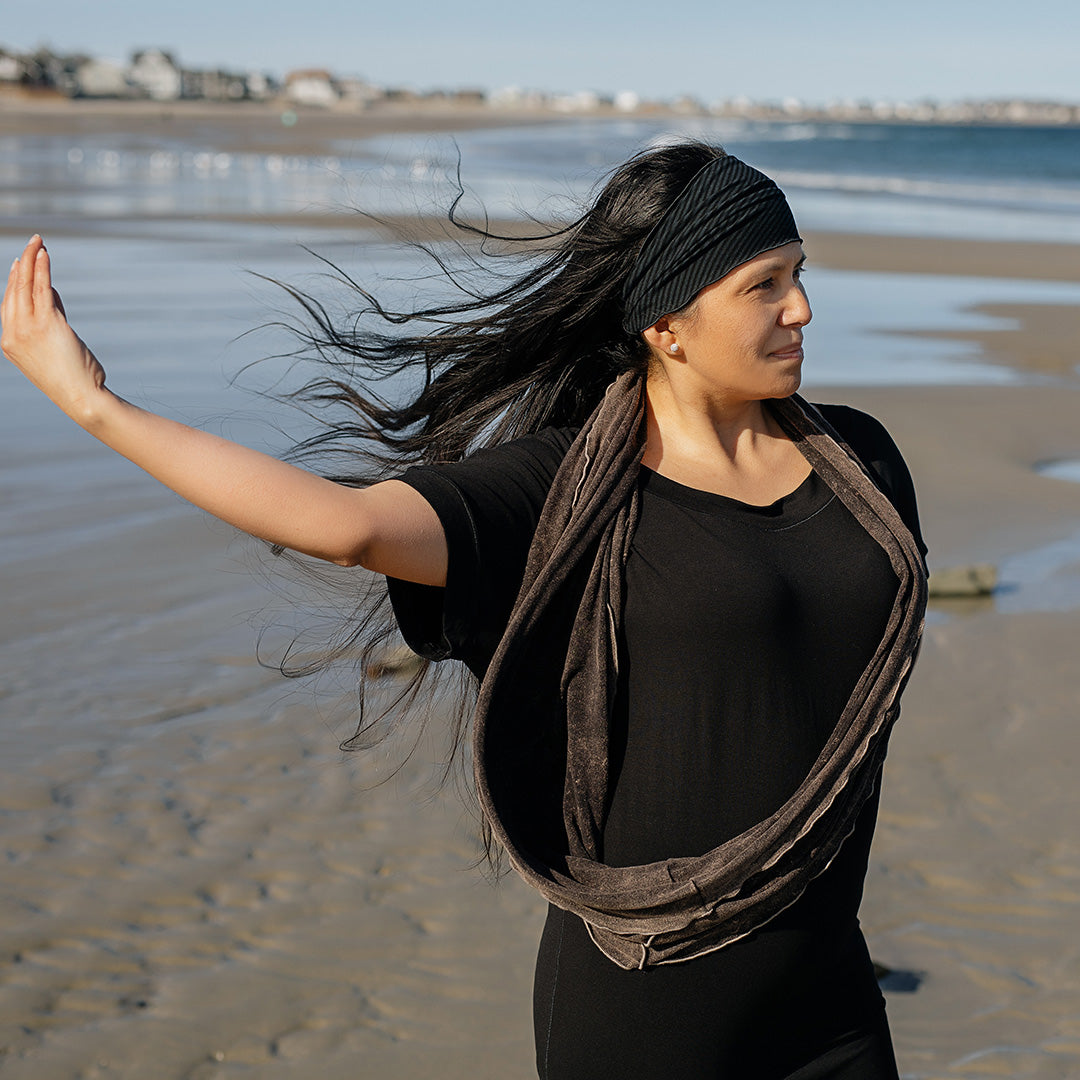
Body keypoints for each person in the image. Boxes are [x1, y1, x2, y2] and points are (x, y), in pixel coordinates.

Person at [1, 141, 927, 1079]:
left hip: (830, 992)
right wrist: (96, 406)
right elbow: (350, 524)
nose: (800, 307)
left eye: (798, 275)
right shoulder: (561, 492)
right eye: (763, 285)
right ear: (668, 325)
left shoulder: (864, 466)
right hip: (648, 1005)